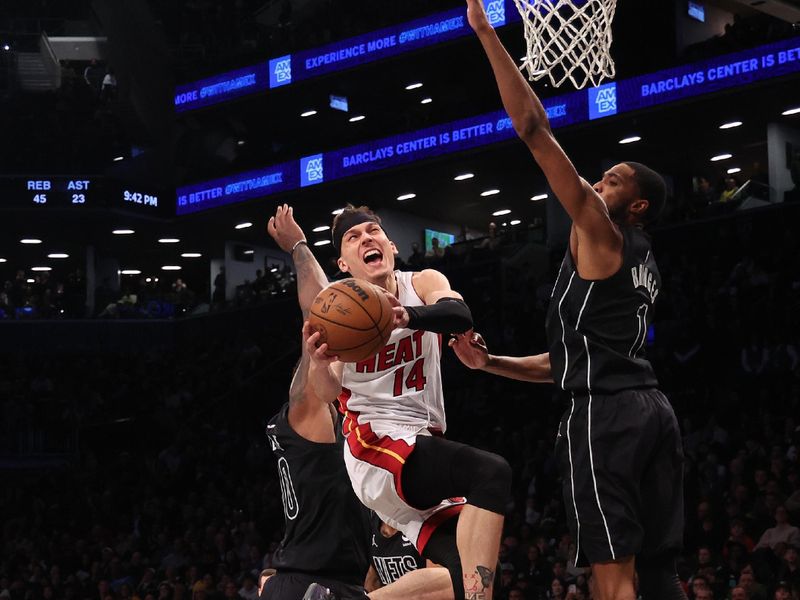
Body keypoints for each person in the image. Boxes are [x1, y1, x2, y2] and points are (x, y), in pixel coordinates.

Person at [455, 2, 685, 599]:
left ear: (636, 207)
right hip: (651, 409)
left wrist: (485, 33)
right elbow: (568, 362)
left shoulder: (603, 233)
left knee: (614, 576)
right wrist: (493, 363)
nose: (594, 184)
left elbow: (533, 130)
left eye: (611, 180)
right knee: (658, 573)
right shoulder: (641, 262)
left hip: (606, 417)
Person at [276, 203, 512, 600]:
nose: (366, 238)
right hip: (375, 447)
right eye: (353, 237)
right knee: (490, 472)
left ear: (391, 245)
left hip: (419, 443)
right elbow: (328, 392)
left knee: (473, 569)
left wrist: (407, 317)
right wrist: (317, 361)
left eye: (372, 232)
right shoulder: (338, 310)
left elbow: (457, 313)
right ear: (343, 263)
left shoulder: (421, 283)